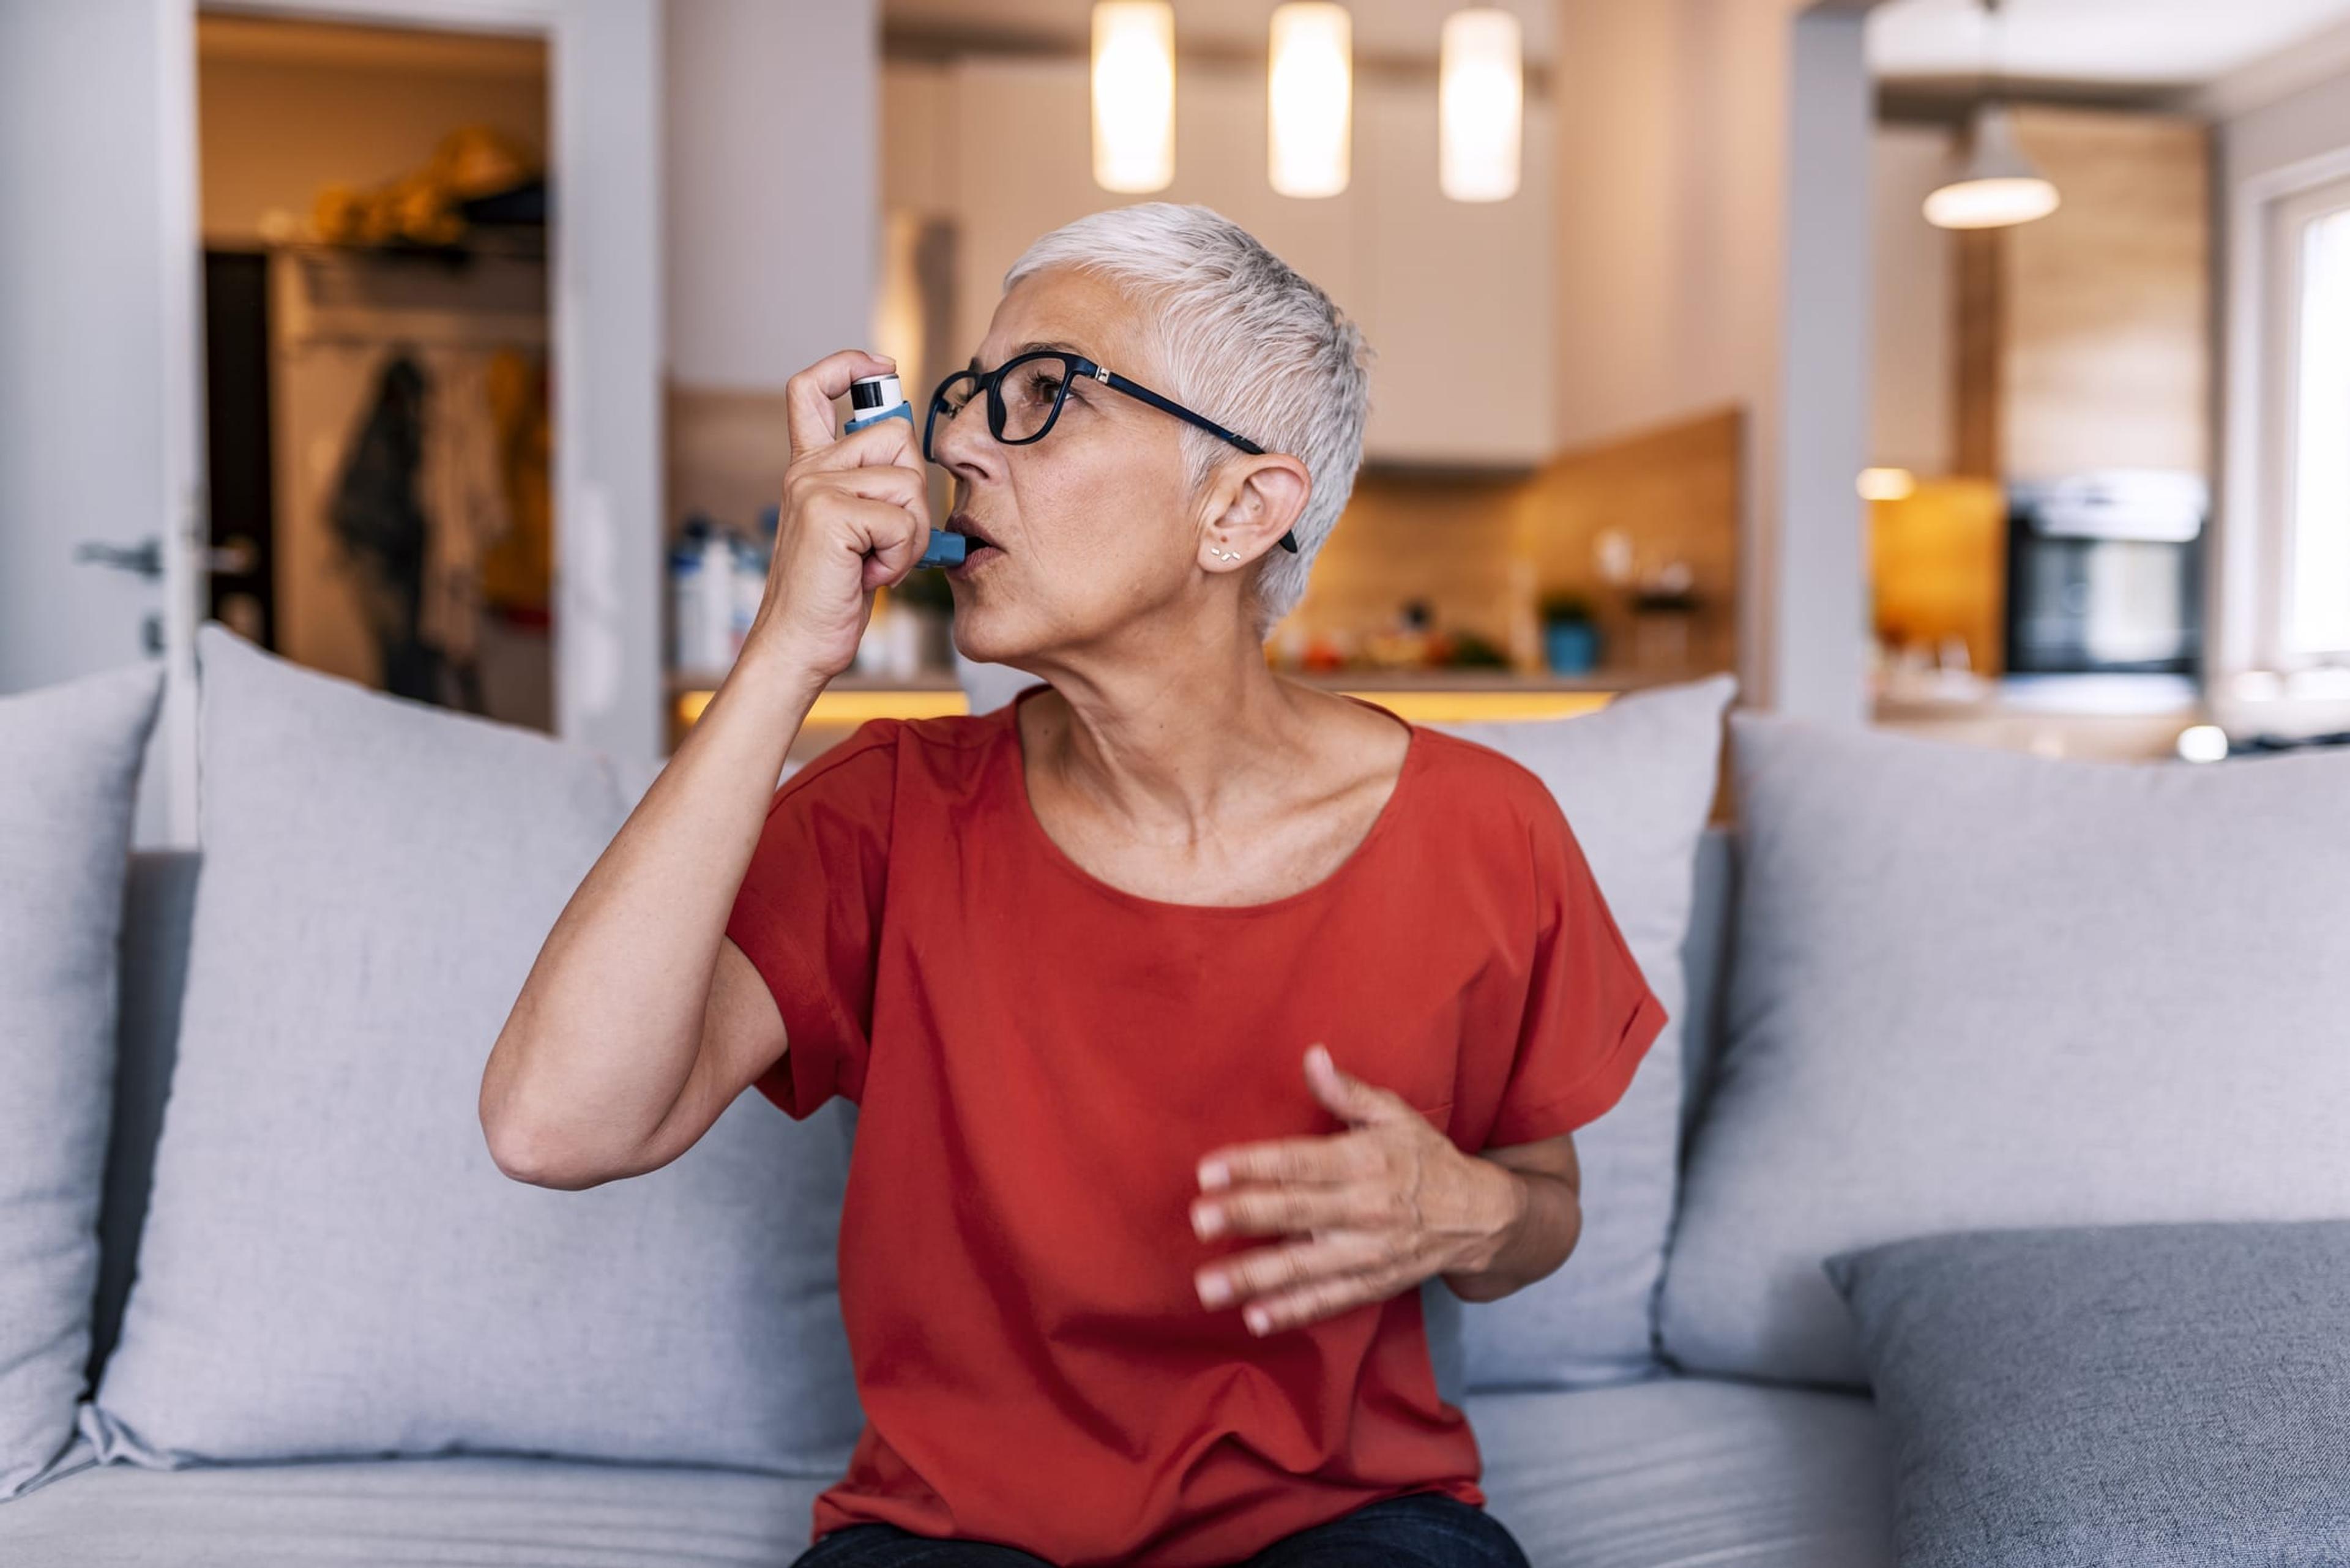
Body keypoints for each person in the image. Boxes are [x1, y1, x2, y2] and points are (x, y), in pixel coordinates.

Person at [480, 202, 1666, 1568]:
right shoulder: (888, 813)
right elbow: (553, 1128)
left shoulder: (1484, 828)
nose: (961, 445)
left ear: (1239, 508)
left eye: (1044, 395)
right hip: (952, 1536)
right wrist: (784, 656)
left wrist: (1473, 1211)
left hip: (1349, 1524)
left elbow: (1541, 1206)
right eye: (971, 397)